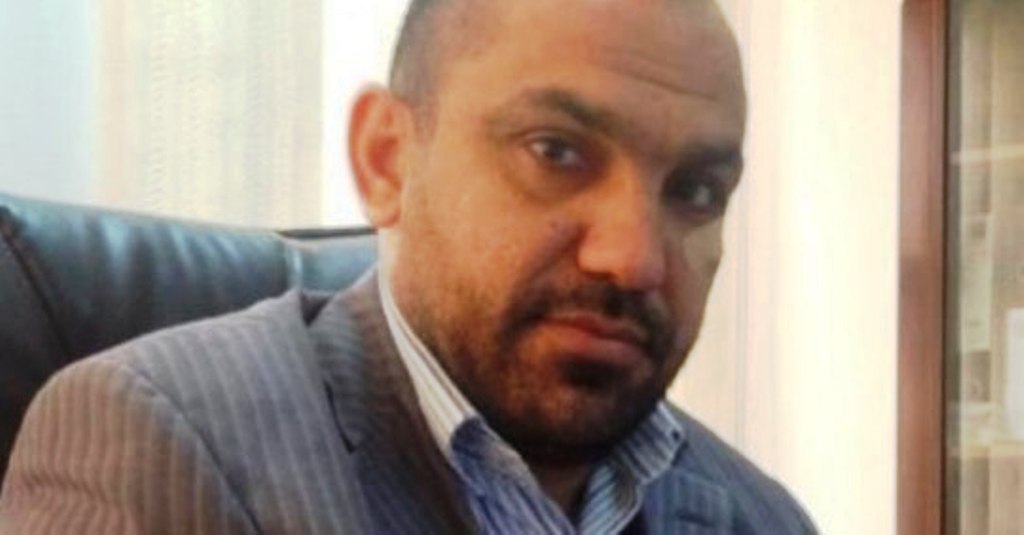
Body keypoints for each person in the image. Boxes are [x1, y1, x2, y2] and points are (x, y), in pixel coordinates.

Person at [0, 0, 816, 533]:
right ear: (386, 158)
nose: (633, 258)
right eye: (556, 152)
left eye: (695, 190)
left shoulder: (760, 517)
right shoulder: (161, 443)